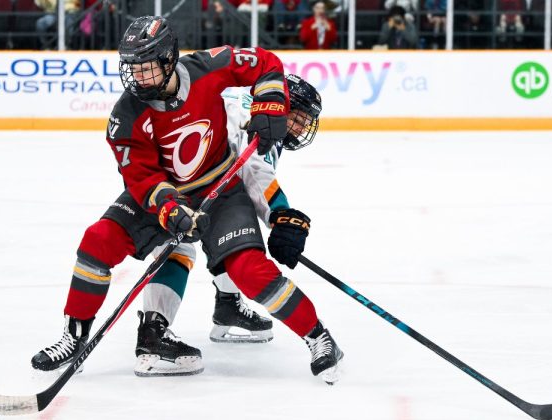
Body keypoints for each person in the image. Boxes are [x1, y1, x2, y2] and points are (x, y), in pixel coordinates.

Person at [30, 15, 344, 384]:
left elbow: (264, 64)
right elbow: (141, 177)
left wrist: (272, 102)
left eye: (147, 69)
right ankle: (75, 337)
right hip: (164, 195)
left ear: (168, 60)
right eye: (133, 69)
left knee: (250, 268)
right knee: (98, 241)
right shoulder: (125, 116)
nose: (138, 79)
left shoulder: (208, 68)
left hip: (222, 188)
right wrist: (169, 209)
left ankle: (318, 338)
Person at [134, 73, 324, 377]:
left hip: (179, 175)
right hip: (173, 185)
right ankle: (153, 335)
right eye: (299, 118)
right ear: (284, 106)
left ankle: (227, 305)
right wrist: (281, 214)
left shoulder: (251, 104)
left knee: (234, 233)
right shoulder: (259, 121)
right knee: (181, 247)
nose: (301, 128)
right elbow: (256, 169)